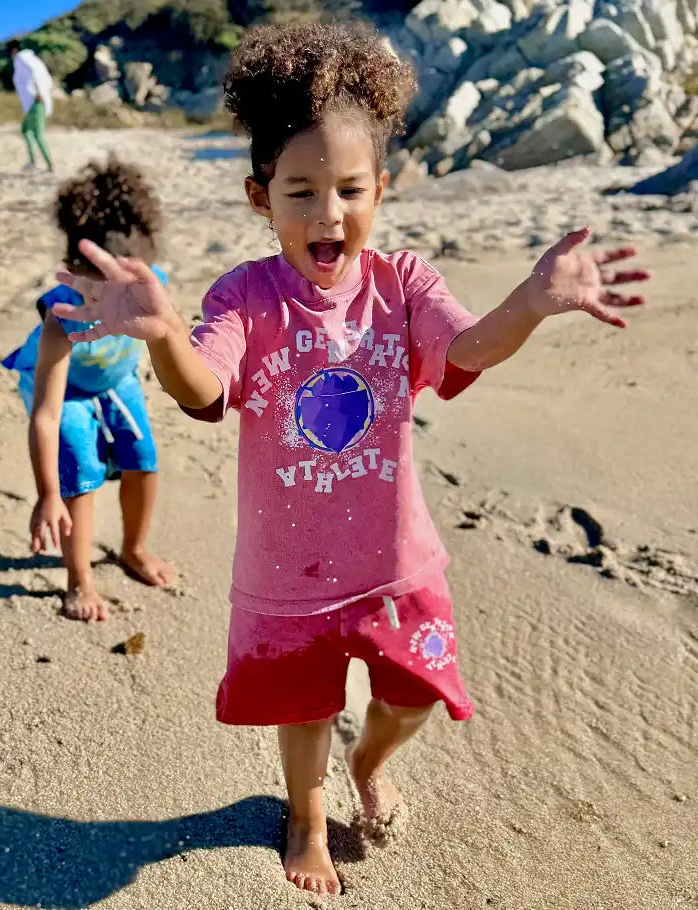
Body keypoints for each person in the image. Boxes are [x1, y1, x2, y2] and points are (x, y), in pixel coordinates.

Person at [51, 22, 650, 894]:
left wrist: (528, 302)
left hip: (393, 560)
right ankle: (306, 812)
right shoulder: (243, 297)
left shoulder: (404, 284)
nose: (327, 213)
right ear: (262, 197)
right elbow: (203, 386)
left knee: (412, 696)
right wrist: (164, 333)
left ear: (383, 189)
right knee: (303, 708)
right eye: (300, 192)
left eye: (350, 190)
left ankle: (369, 764)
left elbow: (470, 348)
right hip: (289, 570)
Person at [2, 156, 175, 621]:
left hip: (116, 381)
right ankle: (80, 580)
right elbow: (45, 414)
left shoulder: (151, 285)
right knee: (80, 474)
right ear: (75, 268)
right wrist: (47, 493)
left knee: (144, 460)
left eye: (127, 285)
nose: (115, 302)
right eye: (101, 289)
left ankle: (133, 549)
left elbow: (172, 340)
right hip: (67, 393)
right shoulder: (63, 317)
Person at [8, 39, 54, 173]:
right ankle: (33, 161)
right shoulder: (31, 59)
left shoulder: (22, 59)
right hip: (33, 101)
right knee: (26, 130)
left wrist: (40, 91)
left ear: (14, 50)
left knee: (38, 134)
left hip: (36, 100)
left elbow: (36, 74)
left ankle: (49, 164)